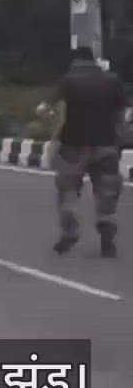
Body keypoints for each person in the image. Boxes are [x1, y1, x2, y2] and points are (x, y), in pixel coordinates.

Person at [50, 46, 125, 258]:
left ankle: (70, 231)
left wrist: (54, 141)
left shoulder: (67, 81)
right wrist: (118, 142)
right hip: (106, 145)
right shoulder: (113, 81)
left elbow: (61, 117)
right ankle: (106, 226)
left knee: (68, 191)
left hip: (73, 146)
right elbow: (120, 116)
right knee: (107, 191)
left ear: (73, 62)